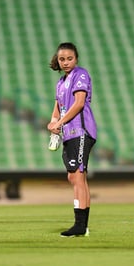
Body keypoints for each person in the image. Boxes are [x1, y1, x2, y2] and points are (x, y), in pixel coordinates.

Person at [47, 42, 97, 237]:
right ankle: (82, 225)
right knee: (74, 177)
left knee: (78, 176)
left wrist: (59, 122)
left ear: (76, 59)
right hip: (69, 133)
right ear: (57, 61)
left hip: (81, 130)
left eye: (70, 58)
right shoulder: (60, 83)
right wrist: (53, 123)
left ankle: (80, 225)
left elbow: (79, 104)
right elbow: (57, 108)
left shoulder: (80, 74)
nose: (66, 62)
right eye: (62, 59)